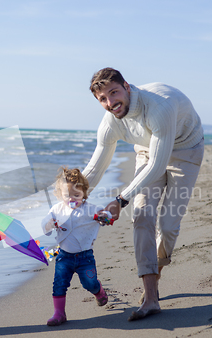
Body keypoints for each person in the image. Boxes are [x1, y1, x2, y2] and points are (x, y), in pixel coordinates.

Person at [82, 68, 204, 321]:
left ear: (126, 86)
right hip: (148, 151)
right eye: (102, 99)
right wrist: (73, 198)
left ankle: (156, 269)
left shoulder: (159, 107)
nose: (110, 103)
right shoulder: (110, 121)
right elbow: (96, 166)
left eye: (113, 93)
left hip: (186, 150)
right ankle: (151, 297)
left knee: (169, 225)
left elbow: (158, 167)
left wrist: (119, 200)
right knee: (142, 216)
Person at [41, 167, 110, 326]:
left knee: (89, 283)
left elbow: (105, 216)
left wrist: (104, 217)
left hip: (85, 257)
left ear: (84, 193)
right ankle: (59, 313)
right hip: (64, 256)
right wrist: (49, 225)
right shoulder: (57, 209)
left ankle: (98, 291)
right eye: (67, 196)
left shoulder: (90, 209)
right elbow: (44, 224)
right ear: (59, 194)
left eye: (77, 195)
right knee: (59, 284)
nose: (72, 199)